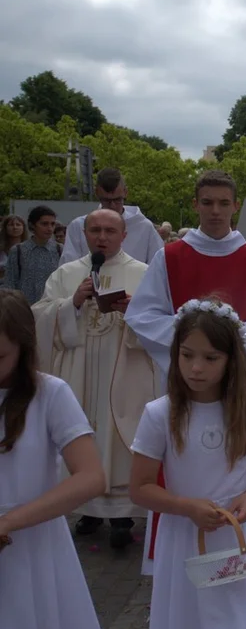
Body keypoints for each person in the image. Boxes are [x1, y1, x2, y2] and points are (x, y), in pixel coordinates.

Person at [126, 169, 246, 572]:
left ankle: (238, 534)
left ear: (236, 206)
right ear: (196, 204)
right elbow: (143, 314)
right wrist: (190, 332)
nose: (215, 211)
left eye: (223, 203)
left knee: (236, 464)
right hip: (188, 381)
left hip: (236, 383)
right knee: (178, 462)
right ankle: (171, 556)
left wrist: (233, 344)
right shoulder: (171, 256)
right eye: (207, 202)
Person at [129, 298, 246, 629]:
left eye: (210, 358)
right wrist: (186, 506)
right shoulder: (161, 414)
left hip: (238, 535)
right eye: (187, 356)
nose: (196, 368)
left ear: (230, 360)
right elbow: (139, 488)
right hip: (185, 536)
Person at [0, 289, 114, 629]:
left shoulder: (49, 393)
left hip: (32, 545)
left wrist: (10, 521)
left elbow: (91, 477)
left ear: (23, 346)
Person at [32, 208, 160, 548]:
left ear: (124, 236)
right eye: (95, 230)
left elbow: (161, 325)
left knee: (119, 440)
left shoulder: (145, 274)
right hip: (79, 371)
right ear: (84, 234)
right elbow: (39, 318)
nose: (102, 237)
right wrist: (71, 303)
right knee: (81, 431)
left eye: (109, 231)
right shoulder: (66, 274)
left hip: (124, 374)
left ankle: (121, 515)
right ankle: (86, 509)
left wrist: (133, 311)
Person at [61, 168, 165, 265]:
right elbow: (68, 268)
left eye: (117, 200)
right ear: (97, 193)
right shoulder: (78, 226)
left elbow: (158, 266)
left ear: (125, 192)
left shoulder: (144, 227)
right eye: (106, 200)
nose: (112, 206)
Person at [4, 205, 61, 303]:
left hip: (52, 308)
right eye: (44, 224)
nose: (50, 228)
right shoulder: (18, 251)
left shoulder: (59, 249)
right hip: (25, 308)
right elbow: (10, 283)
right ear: (32, 225)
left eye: (52, 224)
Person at [0, 214, 29, 283]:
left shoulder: (29, 248)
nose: (15, 227)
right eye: (11, 225)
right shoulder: (1, 249)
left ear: (23, 228)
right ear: (5, 228)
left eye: (18, 224)